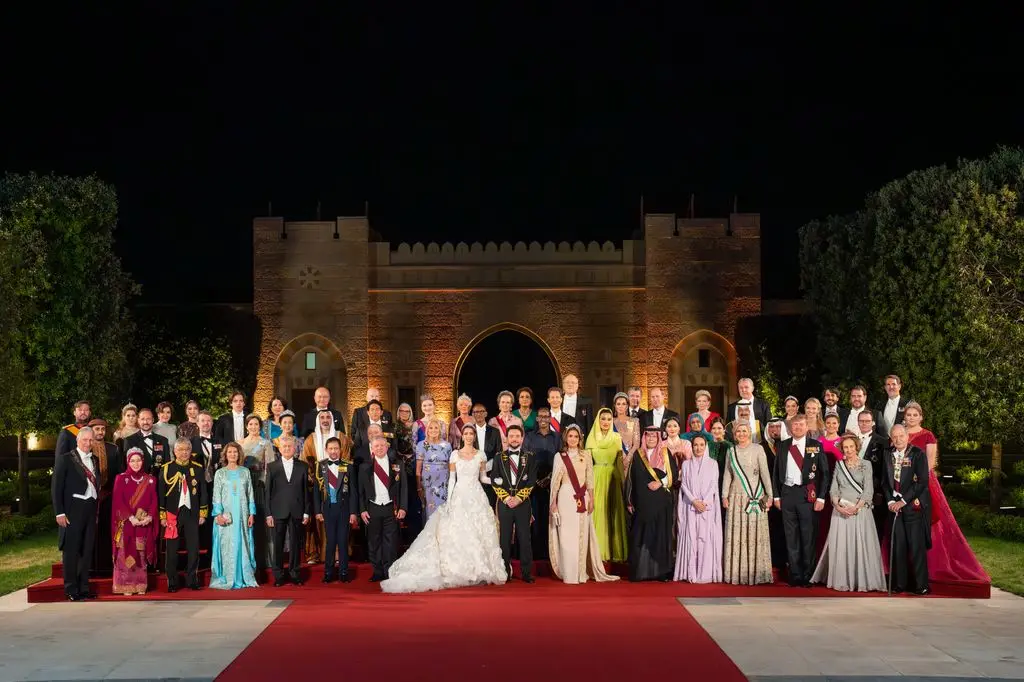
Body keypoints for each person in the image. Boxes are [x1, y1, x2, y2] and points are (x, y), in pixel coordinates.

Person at [381, 424, 507, 593]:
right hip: (460, 496)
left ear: (474, 436)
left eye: (471, 434)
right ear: (462, 436)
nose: (469, 436)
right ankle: (461, 569)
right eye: (466, 433)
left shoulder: (481, 455)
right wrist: (449, 500)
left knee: (478, 532)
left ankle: (480, 569)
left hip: (476, 496)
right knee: (460, 532)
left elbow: (483, 478)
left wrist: (496, 481)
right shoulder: (455, 454)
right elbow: (452, 479)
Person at [903, 401, 989, 585]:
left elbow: (930, 462)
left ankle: (932, 566)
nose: (911, 418)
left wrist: (916, 482)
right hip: (901, 483)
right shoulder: (900, 434)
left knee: (928, 520)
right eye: (908, 415)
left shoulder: (927, 435)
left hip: (923, 482)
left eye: (914, 415)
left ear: (921, 417)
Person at [810, 434, 886, 592]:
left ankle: (861, 580)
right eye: (846, 447)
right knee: (843, 547)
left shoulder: (866, 464)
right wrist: (837, 506)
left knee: (860, 546)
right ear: (842, 449)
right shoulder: (839, 464)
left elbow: (868, 490)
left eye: (852, 446)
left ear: (856, 447)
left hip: (860, 511)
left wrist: (856, 507)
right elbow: (834, 488)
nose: (849, 450)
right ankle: (843, 579)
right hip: (841, 511)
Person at [548, 424, 619, 585]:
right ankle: (569, 573)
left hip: (582, 497)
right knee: (567, 536)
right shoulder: (559, 456)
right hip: (565, 496)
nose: (573, 439)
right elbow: (555, 483)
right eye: (570, 436)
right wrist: (554, 504)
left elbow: (590, 478)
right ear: (566, 437)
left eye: (576, 436)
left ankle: (580, 573)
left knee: (581, 535)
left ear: (580, 439)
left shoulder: (586, 455)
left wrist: (592, 498)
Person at [772, 414, 830, 587]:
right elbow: (776, 473)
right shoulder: (782, 445)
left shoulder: (816, 446)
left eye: (801, 425)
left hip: (808, 495)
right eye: (795, 425)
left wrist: (821, 497)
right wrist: (776, 496)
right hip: (788, 494)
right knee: (791, 537)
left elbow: (825, 473)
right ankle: (795, 575)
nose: (797, 428)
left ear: (807, 427)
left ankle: (808, 576)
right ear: (790, 428)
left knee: (808, 536)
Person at [721, 423, 774, 585]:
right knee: (738, 535)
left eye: (745, 431)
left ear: (750, 433)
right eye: (739, 431)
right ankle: (737, 573)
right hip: (736, 498)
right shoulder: (731, 451)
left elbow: (764, 473)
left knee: (755, 534)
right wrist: (724, 495)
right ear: (734, 434)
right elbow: (727, 475)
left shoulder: (758, 449)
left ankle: (758, 573)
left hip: (756, 498)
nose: (742, 433)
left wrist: (770, 495)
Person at [626, 426, 680, 581]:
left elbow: (674, 475)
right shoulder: (638, 455)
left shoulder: (665, 453)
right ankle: (640, 573)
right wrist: (629, 501)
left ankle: (661, 572)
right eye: (648, 436)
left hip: (661, 503)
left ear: (658, 438)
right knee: (641, 536)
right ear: (644, 438)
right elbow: (631, 479)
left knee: (660, 536)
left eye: (654, 437)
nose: (651, 439)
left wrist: (660, 483)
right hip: (643, 504)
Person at [53, 427, 101, 600]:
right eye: (85, 440)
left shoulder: (94, 459)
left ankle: (84, 587)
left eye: (91, 440)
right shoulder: (65, 459)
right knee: (71, 550)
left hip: (90, 507)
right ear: (77, 440)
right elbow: (56, 488)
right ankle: (71, 589)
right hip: (73, 509)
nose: (88, 443)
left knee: (87, 549)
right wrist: (59, 512)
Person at [882, 424, 931, 595]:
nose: (898, 440)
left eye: (901, 436)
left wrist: (903, 501)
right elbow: (884, 481)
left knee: (916, 547)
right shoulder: (887, 453)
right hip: (893, 505)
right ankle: (900, 583)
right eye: (894, 437)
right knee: (898, 546)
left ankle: (921, 584)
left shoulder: (918, 454)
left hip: (912, 505)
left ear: (907, 436)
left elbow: (922, 482)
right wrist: (889, 501)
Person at [159, 437, 209, 592]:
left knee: (193, 548)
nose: (184, 453)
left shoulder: (198, 468)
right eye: (180, 449)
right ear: (174, 451)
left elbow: (203, 493)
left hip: (192, 513)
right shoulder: (167, 468)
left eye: (186, 449)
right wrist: (162, 515)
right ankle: (172, 582)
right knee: (172, 550)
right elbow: (161, 494)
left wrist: (203, 512)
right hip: (173, 513)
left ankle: (191, 580)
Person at [491, 424, 538, 583]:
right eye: (511, 436)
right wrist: (505, 498)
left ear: (522, 438)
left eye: (517, 436)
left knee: (524, 538)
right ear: (507, 438)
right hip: (504, 503)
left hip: (523, 503)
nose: (514, 439)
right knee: (504, 538)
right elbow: (494, 481)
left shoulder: (529, 457)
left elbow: (531, 481)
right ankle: (505, 571)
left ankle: (526, 573)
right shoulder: (499, 457)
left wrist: (518, 498)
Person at [209, 442, 258, 590]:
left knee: (242, 542)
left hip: (242, 514)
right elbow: (216, 495)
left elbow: (250, 494)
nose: (232, 455)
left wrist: (252, 513)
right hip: (227, 515)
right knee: (227, 544)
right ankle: (228, 577)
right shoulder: (220, 473)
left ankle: (243, 576)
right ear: (225, 454)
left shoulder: (245, 472)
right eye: (229, 452)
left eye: (235, 452)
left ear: (239, 454)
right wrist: (217, 514)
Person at [674, 434, 722, 583]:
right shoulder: (686, 464)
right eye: (695, 445)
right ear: (692, 446)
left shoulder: (713, 463)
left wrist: (704, 502)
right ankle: (690, 572)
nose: (698, 448)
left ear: (706, 446)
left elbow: (714, 484)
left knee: (705, 538)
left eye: (701, 445)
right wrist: (694, 501)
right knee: (692, 537)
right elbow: (684, 486)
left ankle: (705, 573)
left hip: (707, 507)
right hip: (691, 506)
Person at [360, 434, 408, 581]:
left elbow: (404, 487)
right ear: (372, 449)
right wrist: (362, 510)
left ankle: (389, 571)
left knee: (390, 542)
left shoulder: (397, 464)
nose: (379, 448)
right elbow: (360, 491)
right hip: (373, 508)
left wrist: (403, 507)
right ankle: (377, 571)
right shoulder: (364, 467)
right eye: (376, 446)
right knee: (374, 542)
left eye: (382, 445)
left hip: (391, 508)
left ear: (387, 447)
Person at [110, 448, 158, 595]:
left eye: (138, 460)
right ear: (128, 462)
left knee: (140, 554)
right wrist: (130, 518)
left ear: (143, 461)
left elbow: (154, 501)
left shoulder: (150, 479)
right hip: (126, 523)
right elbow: (118, 501)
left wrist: (149, 516)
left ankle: (140, 584)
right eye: (132, 460)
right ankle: (125, 585)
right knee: (125, 556)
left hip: (143, 523)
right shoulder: (120, 478)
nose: (136, 463)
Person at [265, 436, 311, 586]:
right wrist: (268, 513)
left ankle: (295, 573)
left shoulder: (303, 466)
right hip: (278, 511)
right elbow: (268, 492)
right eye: (284, 446)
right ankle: (278, 575)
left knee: (296, 544)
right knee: (277, 544)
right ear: (279, 449)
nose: (287, 449)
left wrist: (306, 512)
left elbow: (306, 491)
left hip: (297, 510)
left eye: (290, 446)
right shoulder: (272, 467)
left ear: (295, 448)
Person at [313, 436, 359, 583]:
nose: (333, 451)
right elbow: (316, 492)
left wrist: (353, 512)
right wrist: (318, 511)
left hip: (344, 509)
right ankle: (328, 573)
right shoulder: (320, 466)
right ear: (326, 450)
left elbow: (353, 491)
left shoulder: (348, 466)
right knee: (330, 542)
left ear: (340, 450)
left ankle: (344, 573)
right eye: (331, 448)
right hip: (327, 509)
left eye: (336, 448)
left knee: (343, 541)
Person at [586, 407, 628, 562]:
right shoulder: (591, 438)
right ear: (598, 420)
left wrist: (623, 483)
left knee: (613, 514)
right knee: (598, 513)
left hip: (613, 478)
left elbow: (619, 462)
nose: (606, 422)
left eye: (609, 419)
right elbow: (588, 464)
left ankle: (614, 552)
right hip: (596, 478)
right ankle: (597, 553)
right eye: (603, 418)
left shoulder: (617, 437)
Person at [415, 418, 452, 521]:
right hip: (428, 483)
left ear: (440, 430)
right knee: (429, 510)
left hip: (443, 483)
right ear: (427, 430)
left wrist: (451, 483)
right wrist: (419, 487)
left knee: (443, 510)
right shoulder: (423, 445)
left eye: (436, 428)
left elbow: (450, 466)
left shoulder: (447, 445)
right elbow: (418, 470)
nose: (433, 430)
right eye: (431, 428)